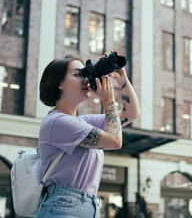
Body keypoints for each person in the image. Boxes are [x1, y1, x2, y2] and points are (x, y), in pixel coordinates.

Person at [36, 53, 140, 218]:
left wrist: (121, 78)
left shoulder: (84, 122)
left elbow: (131, 113)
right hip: (64, 205)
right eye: (78, 75)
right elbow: (115, 141)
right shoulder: (57, 122)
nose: (86, 79)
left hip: (89, 205)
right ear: (59, 84)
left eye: (85, 73)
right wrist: (108, 101)